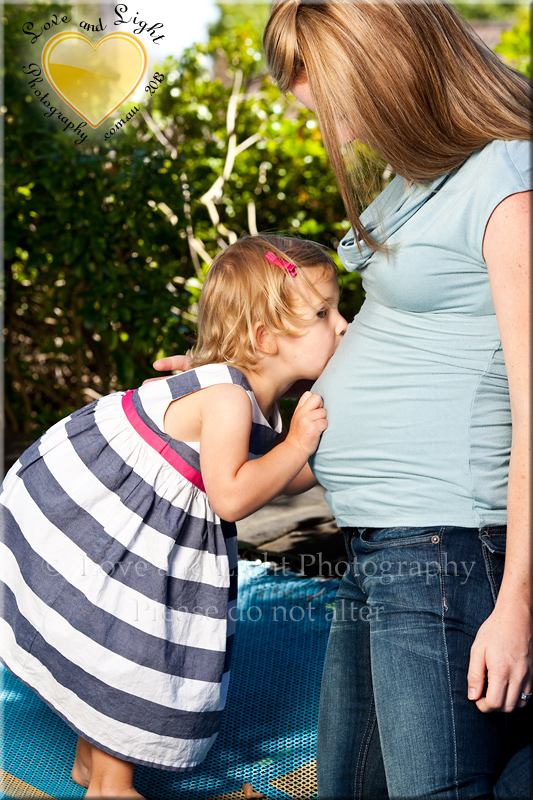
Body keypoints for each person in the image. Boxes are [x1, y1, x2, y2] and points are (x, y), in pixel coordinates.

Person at [156, 1, 532, 797]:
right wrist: (226, 367)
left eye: (335, 106)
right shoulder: (424, 177)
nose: (340, 131)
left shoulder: (506, 179)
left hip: (446, 541)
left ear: (386, 68)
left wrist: (518, 605)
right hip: (381, 548)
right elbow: (380, 337)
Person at [0, 234, 347, 798]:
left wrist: (322, 458)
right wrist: (297, 444)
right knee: (132, 635)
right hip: (115, 516)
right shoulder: (230, 396)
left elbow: (275, 478)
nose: (342, 325)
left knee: (127, 627)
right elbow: (233, 497)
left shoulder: (253, 396)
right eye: (323, 313)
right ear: (264, 337)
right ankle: (112, 786)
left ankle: (93, 764)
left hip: (153, 518)